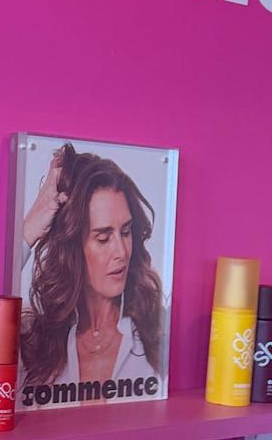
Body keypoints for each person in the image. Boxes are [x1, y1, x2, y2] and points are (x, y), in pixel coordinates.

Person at [19, 143, 165, 393]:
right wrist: (29, 227)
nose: (121, 252)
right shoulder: (35, 341)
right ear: (73, 247)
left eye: (126, 232)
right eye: (103, 237)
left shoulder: (158, 332)